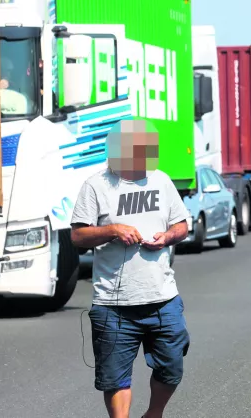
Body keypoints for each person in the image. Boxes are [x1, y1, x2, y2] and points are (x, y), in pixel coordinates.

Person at [70, 119, 191, 418]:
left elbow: (182, 225)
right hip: (113, 304)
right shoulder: (96, 186)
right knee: (115, 378)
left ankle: (154, 413)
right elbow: (77, 236)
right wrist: (112, 230)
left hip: (162, 299)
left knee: (172, 367)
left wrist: (167, 236)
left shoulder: (161, 181)